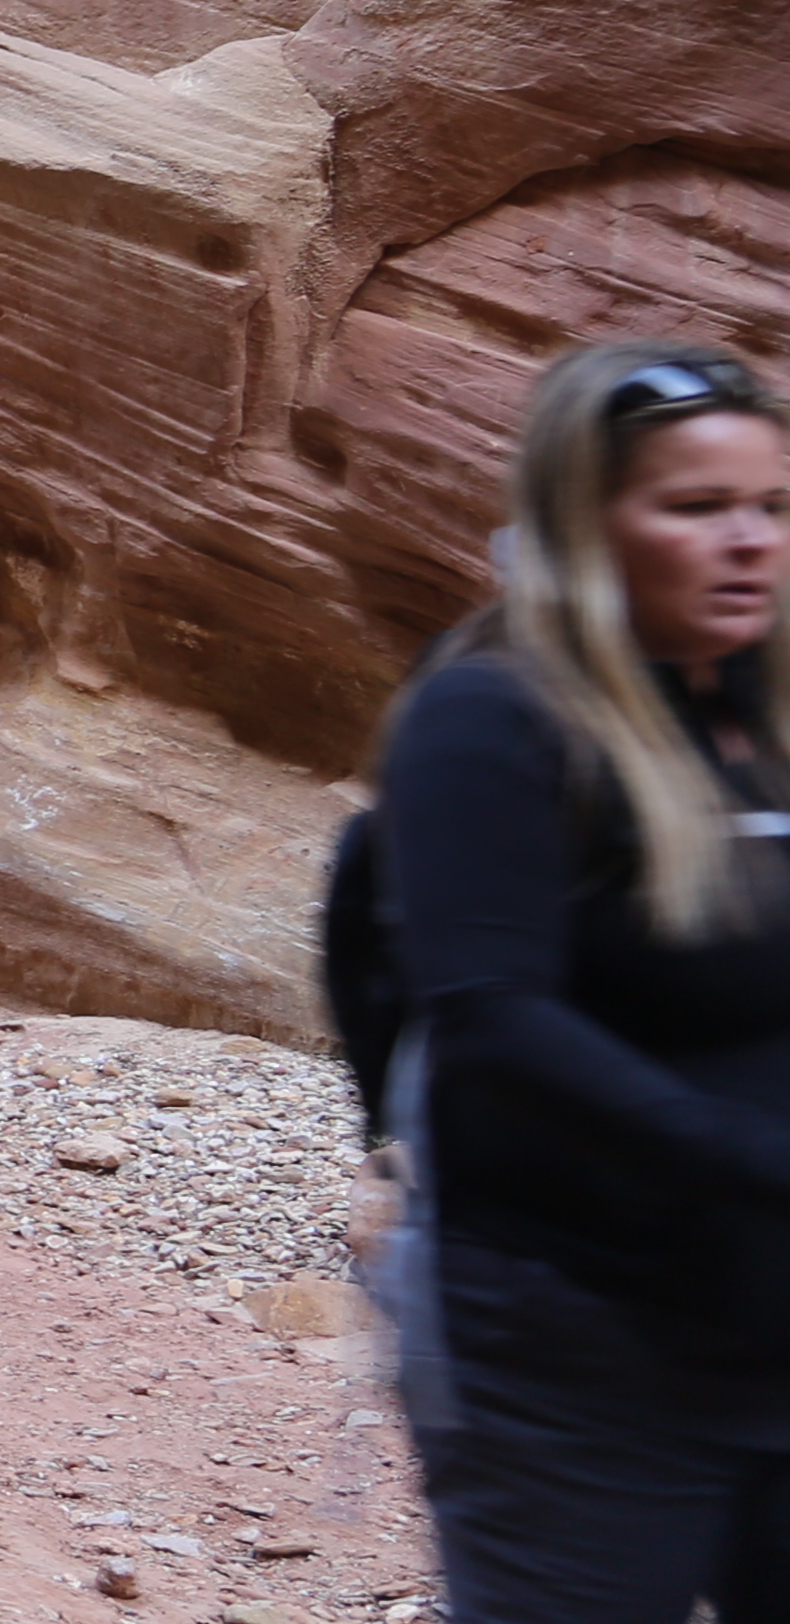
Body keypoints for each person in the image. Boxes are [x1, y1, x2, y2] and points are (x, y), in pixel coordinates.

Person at [371, 339, 790, 1619]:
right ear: (587, 523)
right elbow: (492, 1017)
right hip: (575, 1345)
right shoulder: (492, 719)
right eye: (696, 507)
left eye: (773, 507)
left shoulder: (765, 723)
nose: (750, 542)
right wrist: (759, 1161)